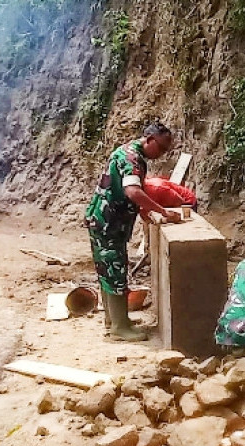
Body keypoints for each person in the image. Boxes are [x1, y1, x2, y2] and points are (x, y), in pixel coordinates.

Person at [85, 121, 181, 341]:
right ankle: (119, 328)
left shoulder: (126, 151)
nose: (162, 154)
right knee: (115, 269)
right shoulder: (132, 159)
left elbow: (126, 191)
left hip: (102, 219)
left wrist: (144, 212)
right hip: (108, 222)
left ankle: (114, 320)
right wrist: (162, 211)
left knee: (106, 269)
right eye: (162, 148)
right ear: (149, 140)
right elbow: (132, 191)